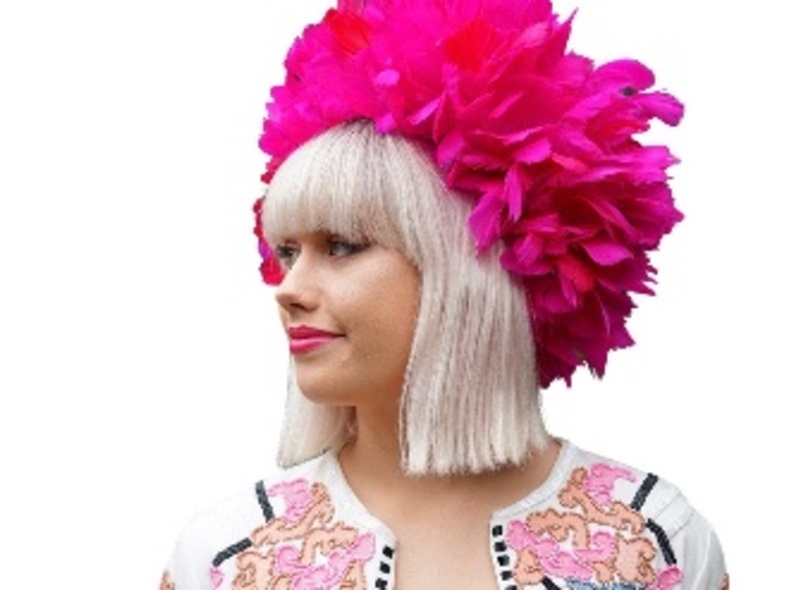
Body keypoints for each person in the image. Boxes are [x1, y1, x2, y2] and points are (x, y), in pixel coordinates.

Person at [161, 1, 728, 589]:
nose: (290, 289)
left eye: (342, 247)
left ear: (470, 270)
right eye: (287, 252)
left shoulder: (655, 539)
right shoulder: (225, 556)